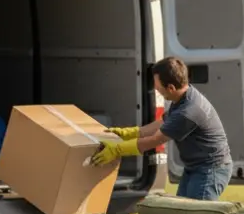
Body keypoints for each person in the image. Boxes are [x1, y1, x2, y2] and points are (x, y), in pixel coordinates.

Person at [91, 57, 233, 201]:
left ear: (171, 87)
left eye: (158, 87)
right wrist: (131, 132)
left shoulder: (188, 111)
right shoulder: (183, 97)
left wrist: (117, 149)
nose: (156, 90)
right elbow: (163, 123)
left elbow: (155, 140)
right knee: (183, 212)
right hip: (196, 167)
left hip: (210, 170)